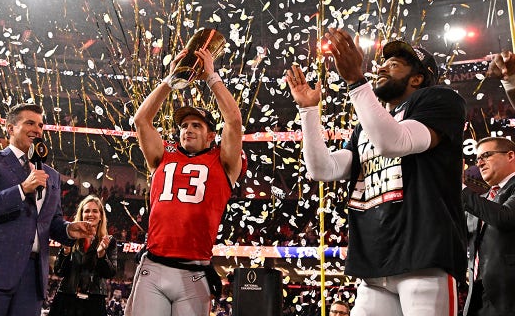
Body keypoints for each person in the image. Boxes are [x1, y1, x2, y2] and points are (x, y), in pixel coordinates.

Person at [286, 29, 467, 315]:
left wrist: (356, 82)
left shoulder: (440, 100)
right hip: (375, 261)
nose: (381, 66)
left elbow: (394, 142)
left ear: (417, 78)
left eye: (395, 64)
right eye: (384, 62)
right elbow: (323, 168)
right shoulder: (365, 127)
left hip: (423, 256)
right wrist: (308, 111)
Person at [125, 47, 245, 316]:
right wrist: (171, 81)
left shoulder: (223, 161)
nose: (188, 129)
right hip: (154, 266)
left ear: (211, 135)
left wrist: (212, 77)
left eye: (196, 126)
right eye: (184, 126)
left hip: (194, 271)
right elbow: (142, 120)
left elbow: (234, 120)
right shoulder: (164, 155)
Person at [0, 103, 94, 316]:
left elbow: (50, 221)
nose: (37, 129)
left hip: (32, 277)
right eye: (30, 123)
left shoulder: (51, 175)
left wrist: (67, 230)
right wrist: (21, 189)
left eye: (41, 125)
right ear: (10, 128)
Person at [462, 137, 515, 316]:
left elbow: (505, 218)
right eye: (477, 159)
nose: (480, 163)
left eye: (486, 155)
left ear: (510, 155)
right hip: (478, 297)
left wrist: (461, 189)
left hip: (509, 296)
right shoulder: (482, 200)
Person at [48, 195, 117, 316]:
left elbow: (109, 273)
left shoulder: (109, 241)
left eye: (95, 211)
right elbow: (59, 271)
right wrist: (66, 252)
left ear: (101, 216)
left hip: (94, 303)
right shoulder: (70, 237)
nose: (91, 214)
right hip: (66, 300)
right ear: (81, 214)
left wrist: (101, 254)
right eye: (87, 211)